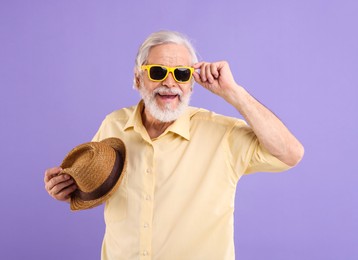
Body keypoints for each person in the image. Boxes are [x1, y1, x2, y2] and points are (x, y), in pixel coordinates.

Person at [44, 30, 304, 260]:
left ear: (191, 82)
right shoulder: (113, 125)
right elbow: (95, 183)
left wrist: (233, 92)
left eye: (181, 73)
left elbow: (291, 153)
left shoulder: (221, 133)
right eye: (157, 72)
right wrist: (66, 188)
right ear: (137, 79)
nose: (170, 83)